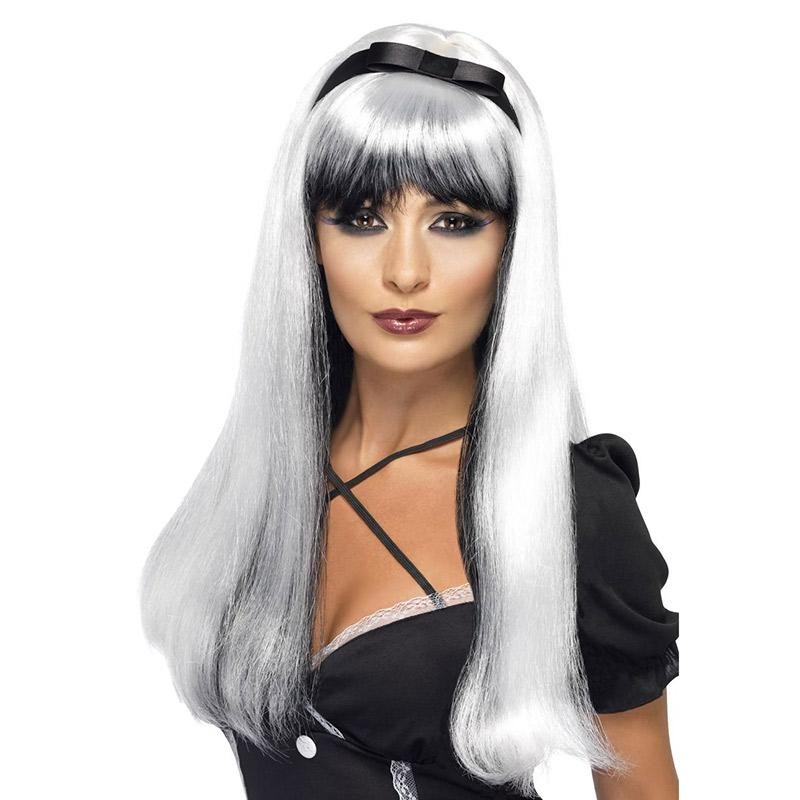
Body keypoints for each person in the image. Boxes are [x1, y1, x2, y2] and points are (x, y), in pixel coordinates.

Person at [139, 22, 680, 800]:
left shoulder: (570, 509)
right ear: (308, 237)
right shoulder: (261, 478)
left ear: (511, 246)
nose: (405, 270)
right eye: (362, 216)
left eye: (454, 221)